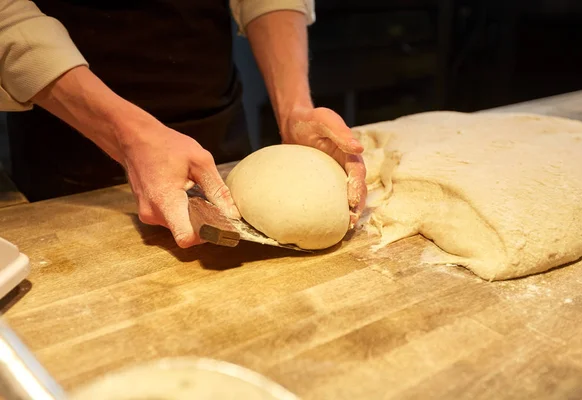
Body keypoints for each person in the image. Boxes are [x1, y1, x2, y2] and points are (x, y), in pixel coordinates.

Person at [0, 0, 367, 248]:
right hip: (71, 128)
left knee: (229, 203)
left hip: (213, 110)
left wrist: (294, 109)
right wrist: (125, 134)